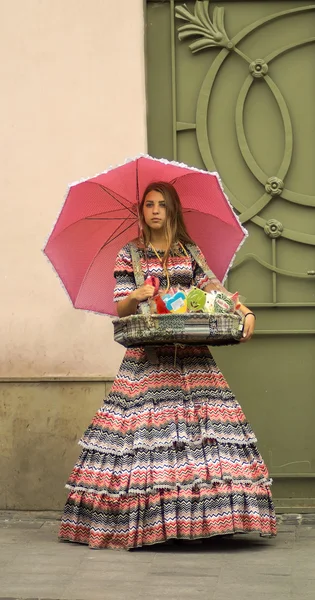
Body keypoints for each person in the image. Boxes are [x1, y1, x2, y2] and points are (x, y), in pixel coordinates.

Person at [59, 181, 277, 549]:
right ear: (141, 212)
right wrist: (137, 295)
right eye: (148, 204)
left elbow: (211, 287)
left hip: (192, 357)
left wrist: (243, 309)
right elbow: (120, 307)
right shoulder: (130, 255)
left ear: (172, 210)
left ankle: (206, 522)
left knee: (203, 440)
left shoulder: (188, 252)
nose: (155, 210)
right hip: (148, 359)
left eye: (162, 204)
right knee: (146, 443)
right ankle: (151, 524)